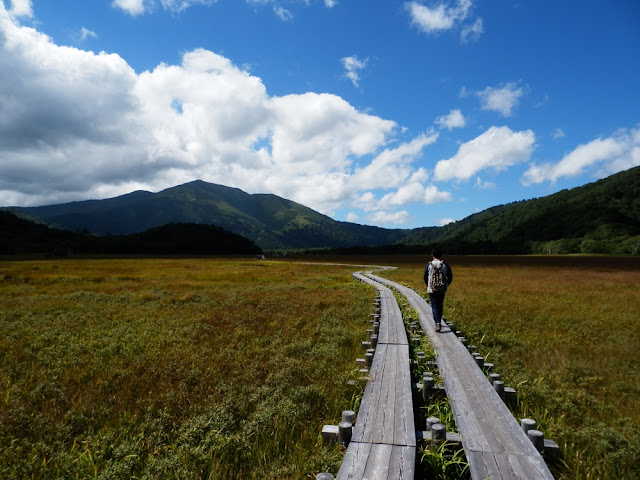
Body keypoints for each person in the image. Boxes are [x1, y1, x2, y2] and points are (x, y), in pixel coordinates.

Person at [423, 248, 453, 332]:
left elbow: (425, 277)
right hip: (442, 289)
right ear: (440, 255)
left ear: (432, 255)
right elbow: (450, 277)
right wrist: (446, 285)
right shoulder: (445, 265)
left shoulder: (429, 265)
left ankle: (437, 323)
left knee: (434, 305)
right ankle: (439, 322)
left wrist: (429, 285)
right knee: (440, 305)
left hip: (431, 289)